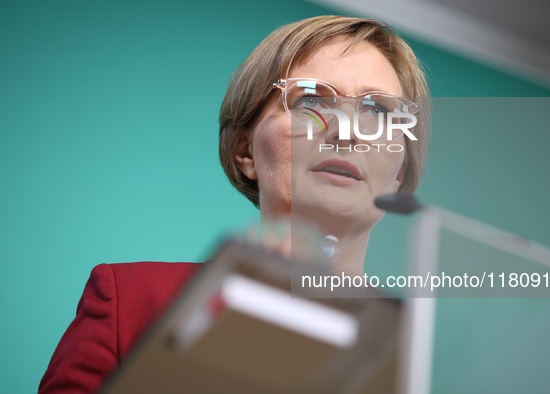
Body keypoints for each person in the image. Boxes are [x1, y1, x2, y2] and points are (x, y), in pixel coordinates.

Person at [39, 15, 430, 393]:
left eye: (378, 111)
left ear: (397, 174)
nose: (347, 132)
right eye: (311, 99)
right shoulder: (128, 300)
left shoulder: (425, 363)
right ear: (246, 151)